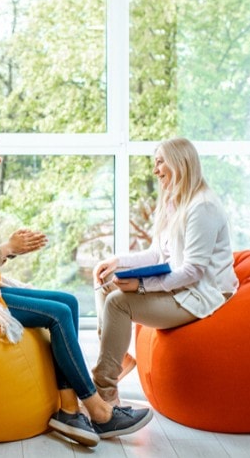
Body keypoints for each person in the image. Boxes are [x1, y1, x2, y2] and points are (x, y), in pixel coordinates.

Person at [0, 131, 153, 447]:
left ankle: (69, 410)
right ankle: (97, 409)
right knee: (56, 315)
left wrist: (13, 249)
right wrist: (7, 247)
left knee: (68, 302)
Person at [92, 137, 239, 406]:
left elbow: (193, 271)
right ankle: (117, 358)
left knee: (117, 303)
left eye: (160, 162)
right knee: (105, 283)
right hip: (183, 287)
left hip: (200, 295)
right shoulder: (175, 203)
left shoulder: (202, 207)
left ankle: (104, 392)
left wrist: (142, 286)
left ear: (179, 163)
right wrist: (118, 262)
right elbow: (158, 254)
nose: (155, 170)